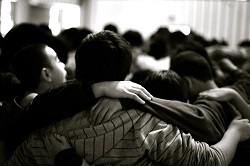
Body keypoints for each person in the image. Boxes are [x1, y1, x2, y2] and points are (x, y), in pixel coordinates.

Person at [3, 30, 250, 166]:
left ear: (79, 67)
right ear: (125, 73)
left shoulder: (48, 123)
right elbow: (211, 161)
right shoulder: (149, 124)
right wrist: (236, 132)